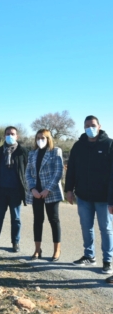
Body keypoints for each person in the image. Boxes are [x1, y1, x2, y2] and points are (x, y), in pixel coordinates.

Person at [65, 115, 113, 275]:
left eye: (92, 125)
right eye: (87, 126)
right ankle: (89, 255)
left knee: (106, 229)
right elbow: (71, 169)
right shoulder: (78, 146)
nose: (89, 128)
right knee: (86, 227)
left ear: (99, 126)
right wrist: (69, 189)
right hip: (83, 196)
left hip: (104, 198)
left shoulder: (109, 144)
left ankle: (107, 260)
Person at [0, 126, 28, 252]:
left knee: (16, 219)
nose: (10, 136)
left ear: (17, 136)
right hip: (1, 190)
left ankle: (15, 243)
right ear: (4, 136)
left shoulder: (22, 152)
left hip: (16, 191)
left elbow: (26, 170)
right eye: (7, 134)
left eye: (12, 134)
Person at [25, 129, 64, 261]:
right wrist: (32, 189)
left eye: (43, 138)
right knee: (37, 220)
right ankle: (37, 250)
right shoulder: (32, 154)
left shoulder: (55, 151)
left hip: (50, 192)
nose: (40, 140)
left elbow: (58, 172)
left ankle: (57, 250)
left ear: (48, 138)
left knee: (54, 220)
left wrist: (48, 189)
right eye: (38, 138)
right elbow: (28, 173)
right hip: (36, 193)